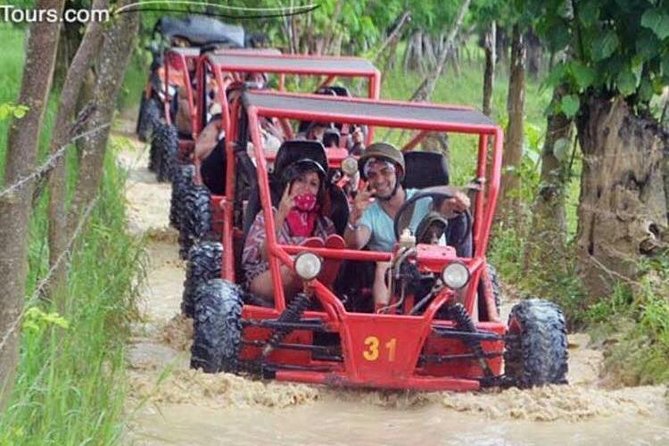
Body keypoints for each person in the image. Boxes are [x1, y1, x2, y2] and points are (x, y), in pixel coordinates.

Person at [343, 142, 470, 311]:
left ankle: (468, 329)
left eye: (385, 172)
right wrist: (355, 216)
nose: (379, 180)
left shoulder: (426, 200)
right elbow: (354, 244)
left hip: (434, 271)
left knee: (462, 272)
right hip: (392, 278)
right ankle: (382, 321)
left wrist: (458, 204)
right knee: (383, 265)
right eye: (372, 175)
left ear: (398, 172)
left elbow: (447, 208)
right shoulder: (369, 212)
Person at [242, 158, 337, 303]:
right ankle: (305, 263)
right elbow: (266, 255)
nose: (306, 187)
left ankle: (312, 267)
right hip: (265, 276)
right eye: (300, 180)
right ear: (289, 185)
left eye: (313, 184)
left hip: (313, 284)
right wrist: (281, 215)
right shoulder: (268, 215)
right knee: (299, 266)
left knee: (322, 263)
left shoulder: (324, 224)